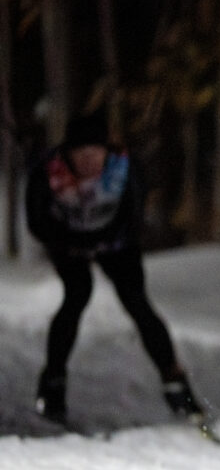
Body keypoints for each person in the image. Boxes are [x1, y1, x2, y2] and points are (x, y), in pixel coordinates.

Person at [25, 112, 203, 424]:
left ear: (107, 151)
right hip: (68, 242)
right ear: (68, 153)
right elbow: (36, 220)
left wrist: (104, 239)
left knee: (136, 301)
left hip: (116, 243)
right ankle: (53, 381)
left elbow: (134, 217)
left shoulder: (124, 167)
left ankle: (177, 383)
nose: (89, 161)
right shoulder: (49, 170)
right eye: (81, 154)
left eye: (96, 153)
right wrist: (66, 241)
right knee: (77, 295)